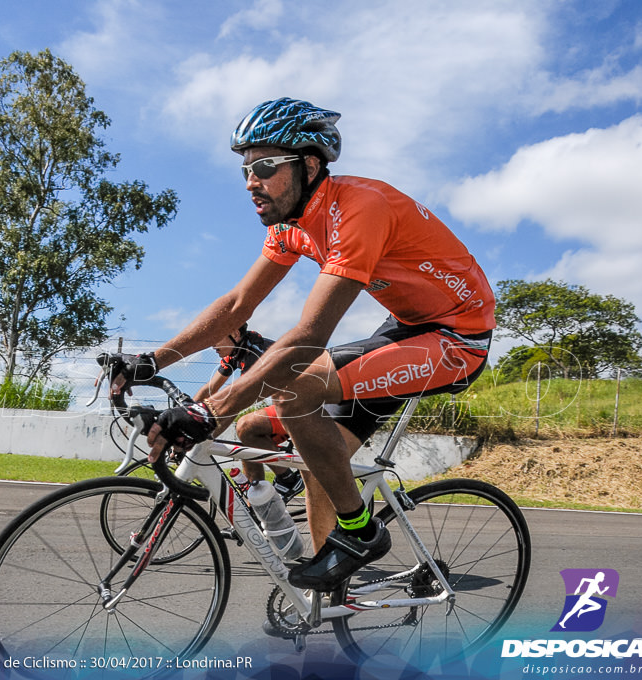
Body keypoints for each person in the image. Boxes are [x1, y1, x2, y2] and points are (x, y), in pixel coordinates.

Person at [112, 97, 495, 591]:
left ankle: (360, 533)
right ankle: (333, 595)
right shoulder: (291, 226)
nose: (252, 181)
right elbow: (236, 306)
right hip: (404, 328)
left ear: (309, 165)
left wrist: (212, 410)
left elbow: (311, 335)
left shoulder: (360, 207)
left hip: (456, 338)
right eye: (246, 169)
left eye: (266, 166)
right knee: (318, 459)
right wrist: (150, 360)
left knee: (297, 389)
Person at [193, 323, 305, 501]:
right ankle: (257, 506)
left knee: (246, 426)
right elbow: (210, 389)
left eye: (216, 339)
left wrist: (201, 434)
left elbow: (235, 402)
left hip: (307, 407)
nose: (212, 345)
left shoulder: (254, 352)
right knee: (246, 446)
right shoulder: (237, 351)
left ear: (235, 333)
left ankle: (288, 479)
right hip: (290, 406)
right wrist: (188, 410)